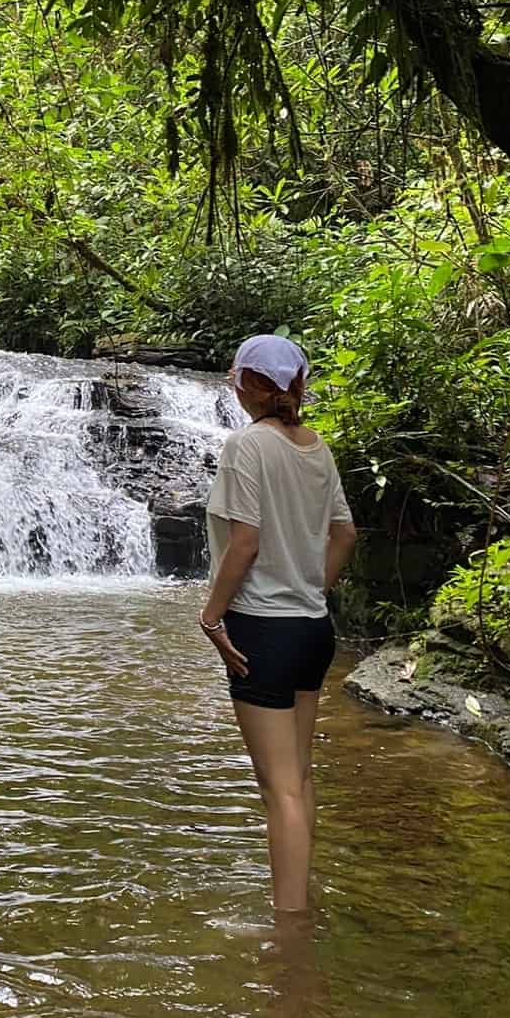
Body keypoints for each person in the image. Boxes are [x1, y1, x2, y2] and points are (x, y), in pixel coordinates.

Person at [199, 334, 356, 914]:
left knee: (279, 789)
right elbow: (345, 534)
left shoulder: (246, 446)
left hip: (262, 631)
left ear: (251, 386)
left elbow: (244, 545)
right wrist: (314, 588)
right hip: (313, 631)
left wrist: (211, 616)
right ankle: (300, 903)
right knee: (301, 779)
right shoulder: (318, 448)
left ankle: (289, 935)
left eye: (237, 378)